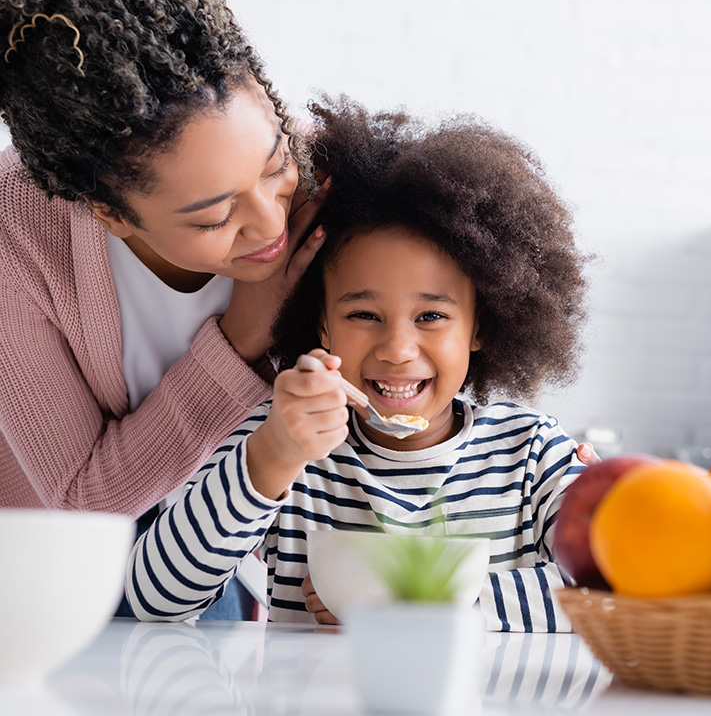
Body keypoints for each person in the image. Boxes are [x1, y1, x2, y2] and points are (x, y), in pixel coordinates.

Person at [126, 96, 595, 632]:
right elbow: (154, 598)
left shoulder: (531, 452)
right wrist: (273, 456)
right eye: (365, 313)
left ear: (480, 327)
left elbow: (616, 590)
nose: (397, 348)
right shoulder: (285, 442)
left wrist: (428, 608)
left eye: (432, 316)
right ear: (321, 324)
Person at [0, 0, 324, 617]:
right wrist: (241, 340)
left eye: (276, 166)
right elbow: (82, 499)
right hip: (67, 585)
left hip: (247, 548)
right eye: (213, 218)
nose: (271, 225)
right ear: (107, 213)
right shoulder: (14, 235)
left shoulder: (327, 170)